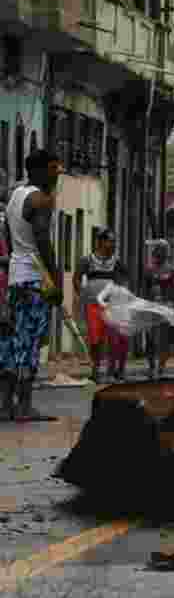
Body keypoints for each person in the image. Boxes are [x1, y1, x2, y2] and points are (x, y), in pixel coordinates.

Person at [0, 150, 63, 421]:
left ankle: (5, 405)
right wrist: (55, 278)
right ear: (38, 171)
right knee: (32, 343)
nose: (56, 175)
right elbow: (43, 241)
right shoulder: (42, 199)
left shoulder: (14, 195)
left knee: (14, 342)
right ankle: (25, 405)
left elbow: (7, 232)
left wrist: (16, 257)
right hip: (36, 280)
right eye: (53, 169)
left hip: (16, 278)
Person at [72, 228, 129, 383]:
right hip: (93, 305)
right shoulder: (87, 260)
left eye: (114, 241)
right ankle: (95, 370)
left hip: (111, 305)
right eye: (110, 241)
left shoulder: (116, 262)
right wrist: (82, 292)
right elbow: (76, 278)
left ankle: (112, 371)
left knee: (113, 339)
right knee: (95, 340)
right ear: (100, 242)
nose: (113, 244)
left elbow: (125, 278)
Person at [145, 240, 174, 379]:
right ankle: (152, 365)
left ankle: (160, 367)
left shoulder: (171, 269)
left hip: (166, 306)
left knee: (164, 339)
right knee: (150, 338)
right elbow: (146, 288)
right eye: (159, 250)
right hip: (151, 306)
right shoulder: (149, 269)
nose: (161, 253)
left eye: (164, 251)